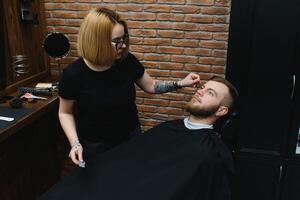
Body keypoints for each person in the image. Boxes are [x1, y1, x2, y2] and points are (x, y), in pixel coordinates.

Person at [39, 76, 238, 200]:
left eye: (209, 93)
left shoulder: (210, 152)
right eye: (202, 87)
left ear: (221, 110)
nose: (200, 91)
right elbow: (132, 160)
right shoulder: (169, 127)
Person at [58, 7, 200, 167]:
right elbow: (65, 112)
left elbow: (151, 86)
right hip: (95, 145)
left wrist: (181, 83)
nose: (123, 45)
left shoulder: (127, 62)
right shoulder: (73, 74)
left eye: (124, 38)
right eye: (117, 41)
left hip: (130, 137)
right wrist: (75, 143)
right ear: (97, 41)